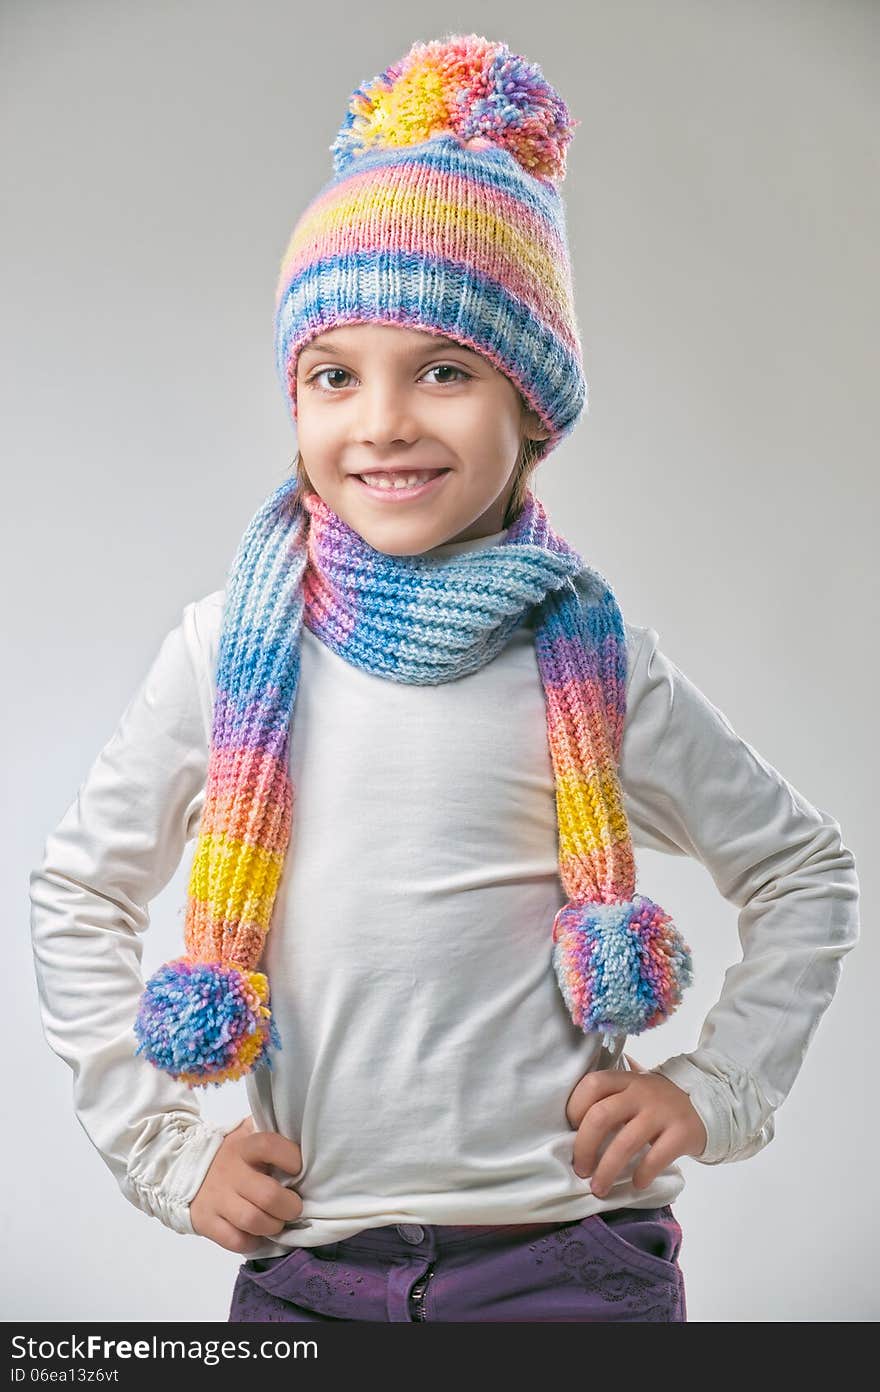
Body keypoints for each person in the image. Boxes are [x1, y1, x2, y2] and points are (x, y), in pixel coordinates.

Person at [29, 33, 859, 1325]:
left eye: (446, 369)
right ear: (294, 397)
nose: (384, 421)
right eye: (334, 375)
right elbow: (77, 891)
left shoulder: (588, 661)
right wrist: (167, 1152)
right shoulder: (225, 655)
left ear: (531, 405)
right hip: (312, 1270)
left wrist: (714, 1087)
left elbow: (803, 869)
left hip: (566, 1261)